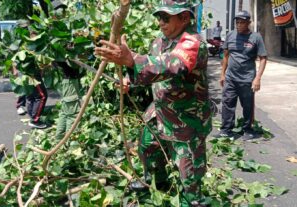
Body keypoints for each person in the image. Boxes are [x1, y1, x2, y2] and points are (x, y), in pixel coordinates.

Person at [95, 1, 212, 206]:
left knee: (188, 172)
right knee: (147, 147)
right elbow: (152, 68)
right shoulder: (160, 40)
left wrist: (132, 60)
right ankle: (157, 183)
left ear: (184, 18)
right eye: (158, 18)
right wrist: (129, 81)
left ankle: (191, 200)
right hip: (160, 111)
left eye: (166, 18)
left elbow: (172, 66)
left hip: (186, 120)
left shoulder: (193, 42)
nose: (160, 23)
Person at [215, 10, 267, 140]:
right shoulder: (230, 35)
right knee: (227, 103)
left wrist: (257, 78)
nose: (239, 25)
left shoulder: (256, 37)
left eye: (242, 22)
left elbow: (263, 58)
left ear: (248, 23)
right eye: (237, 22)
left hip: (247, 79)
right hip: (231, 78)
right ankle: (226, 130)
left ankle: (247, 130)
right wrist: (222, 74)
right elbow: (226, 56)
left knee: (247, 105)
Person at [54, 60, 84, 139]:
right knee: (72, 115)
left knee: (65, 113)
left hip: (66, 81)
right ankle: (70, 142)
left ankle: (59, 140)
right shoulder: (66, 52)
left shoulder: (57, 52)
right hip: (70, 83)